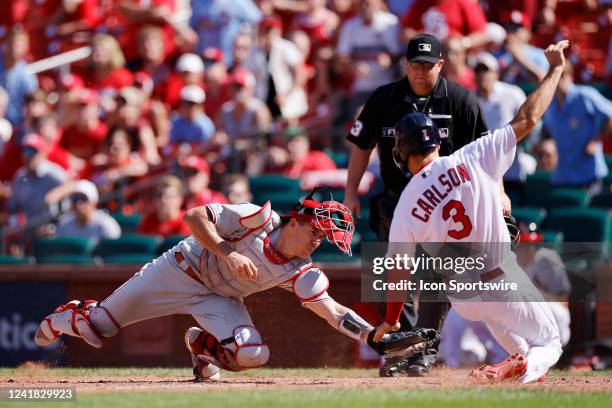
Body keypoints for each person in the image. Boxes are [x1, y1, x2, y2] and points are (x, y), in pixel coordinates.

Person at [34, 192, 395, 382]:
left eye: (324, 239)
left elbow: (333, 312)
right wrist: (227, 251)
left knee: (253, 353)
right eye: (316, 233)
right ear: (297, 221)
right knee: (98, 331)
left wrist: (373, 338)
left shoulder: (301, 269)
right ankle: (72, 314)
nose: (318, 242)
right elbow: (193, 216)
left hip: (220, 299)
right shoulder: (258, 218)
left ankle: (201, 346)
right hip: (178, 271)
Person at [372, 40, 570, 383]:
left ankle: (522, 372)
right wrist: (554, 69)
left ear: (401, 154)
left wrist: (392, 319)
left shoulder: (406, 202)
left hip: (461, 296)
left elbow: (398, 271)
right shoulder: (473, 155)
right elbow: (529, 117)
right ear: (437, 141)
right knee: (550, 340)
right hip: (498, 278)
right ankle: (510, 367)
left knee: (508, 328)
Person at [343, 33, 492, 376]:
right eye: (415, 65)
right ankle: (400, 349)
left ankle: (424, 351)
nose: (421, 72)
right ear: (405, 65)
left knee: (436, 279)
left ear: (441, 64)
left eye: (428, 65)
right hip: (395, 201)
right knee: (392, 279)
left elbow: (485, 157)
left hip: (445, 203)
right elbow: (361, 146)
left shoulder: (460, 101)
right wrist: (351, 192)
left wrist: (495, 194)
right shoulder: (383, 98)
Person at [542, 62, 611, 195]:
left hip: (587, 172)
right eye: (554, 76)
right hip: (562, 174)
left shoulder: (585, 95)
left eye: (561, 75)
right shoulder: (550, 104)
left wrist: (597, 140)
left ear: (569, 77)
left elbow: (610, 115)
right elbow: (547, 132)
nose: (558, 81)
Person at [54, 180, 121, 241]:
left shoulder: (106, 225)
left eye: (83, 199)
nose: (78, 204)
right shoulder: (64, 224)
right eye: (75, 199)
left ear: (93, 202)